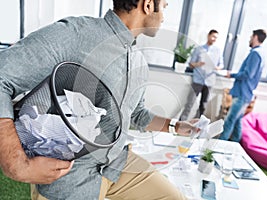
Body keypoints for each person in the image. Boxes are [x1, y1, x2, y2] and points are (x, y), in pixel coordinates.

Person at [0, 0, 200, 199]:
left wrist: (175, 126)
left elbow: (137, 114)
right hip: (69, 176)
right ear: (148, 5)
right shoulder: (75, 34)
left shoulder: (139, 62)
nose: (164, 16)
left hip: (116, 163)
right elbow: (2, 78)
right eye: (164, 6)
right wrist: (16, 163)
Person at [219, 29, 267, 142]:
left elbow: (248, 74)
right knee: (237, 121)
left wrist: (231, 74)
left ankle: (217, 147)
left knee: (229, 120)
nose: (250, 38)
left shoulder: (255, 54)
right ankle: (235, 147)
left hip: (242, 93)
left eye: (251, 36)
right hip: (245, 93)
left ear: (255, 37)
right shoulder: (260, 53)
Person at [180, 29, 224, 120]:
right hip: (198, 80)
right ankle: (181, 123)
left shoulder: (218, 51)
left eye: (216, 38)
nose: (214, 39)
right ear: (208, 35)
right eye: (213, 36)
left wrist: (216, 67)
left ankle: (197, 126)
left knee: (203, 106)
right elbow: (191, 64)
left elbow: (221, 65)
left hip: (209, 81)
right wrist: (198, 64)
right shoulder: (199, 49)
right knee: (190, 103)